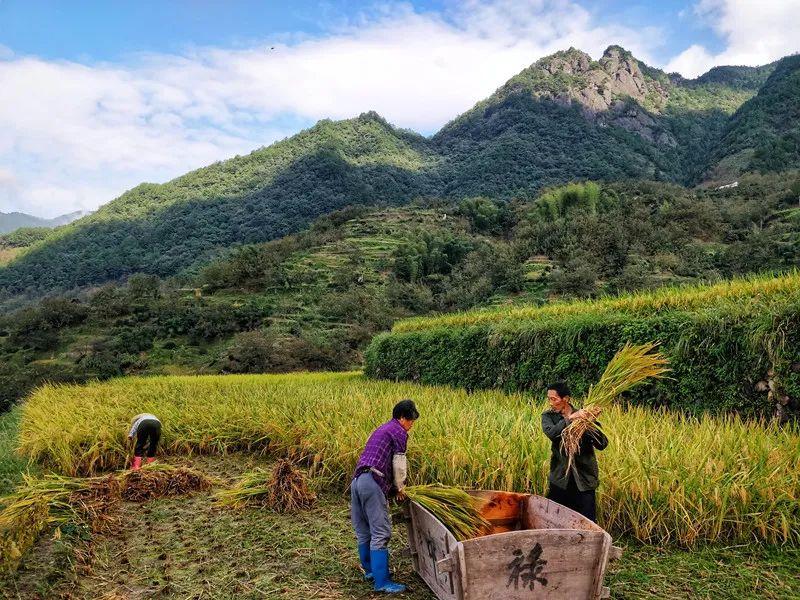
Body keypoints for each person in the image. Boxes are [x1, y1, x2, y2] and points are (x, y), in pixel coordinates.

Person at [351, 399, 419, 594]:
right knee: (381, 533)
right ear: (402, 418)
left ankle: (370, 572)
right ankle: (382, 582)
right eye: (410, 421)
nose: (411, 425)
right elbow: (398, 464)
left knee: (364, 531)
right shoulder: (398, 431)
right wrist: (400, 488)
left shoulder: (382, 429)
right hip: (372, 481)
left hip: (357, 481)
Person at [541, 382, 607, 522]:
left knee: (586, 521)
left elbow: (602, 444)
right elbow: (552, 434)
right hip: (560, 478)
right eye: (549, 399)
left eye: (554, 399)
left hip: (583, 478)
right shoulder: (548, 416)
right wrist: (571, 418)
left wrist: (589, 424)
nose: (550, 403)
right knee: (554, 521)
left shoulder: (584, 416)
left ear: (566, 399)